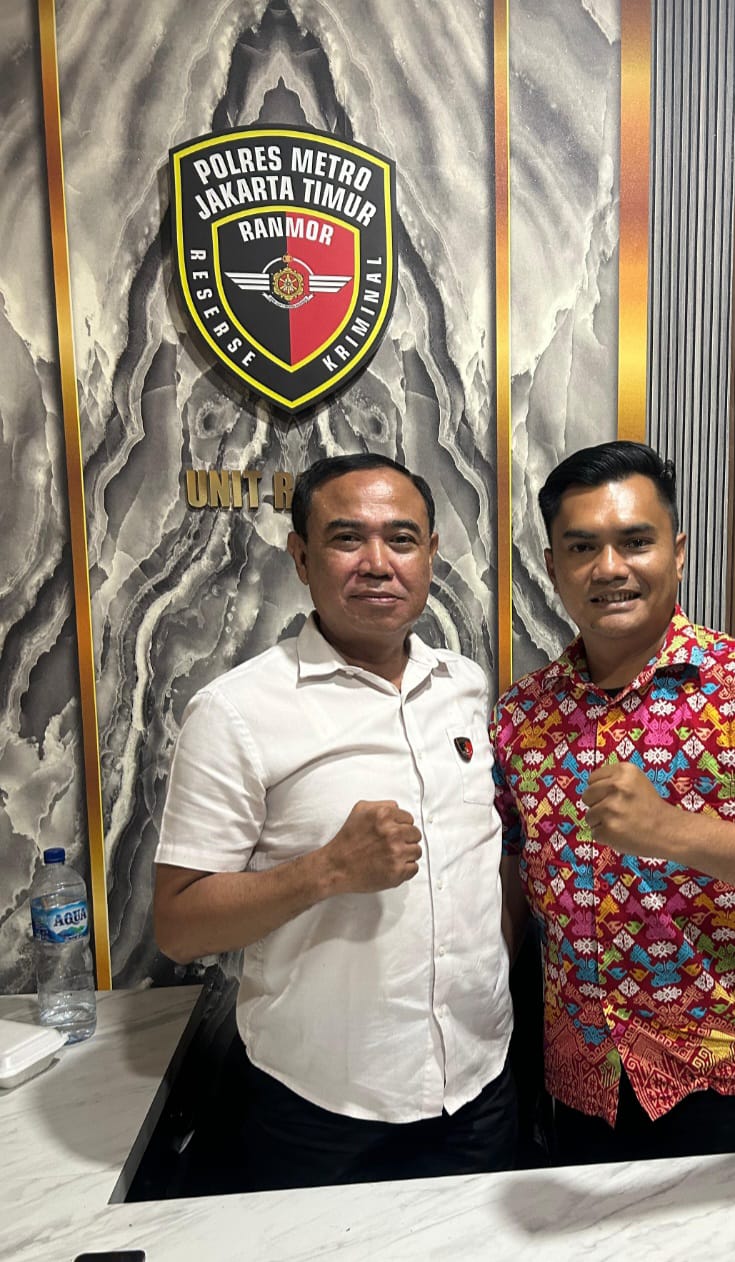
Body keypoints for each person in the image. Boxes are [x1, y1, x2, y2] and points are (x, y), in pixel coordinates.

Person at [492, 441, 735, 1164]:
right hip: (581, 1076)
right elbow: (512, 881)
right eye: (582, 547)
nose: (610, 568)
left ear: (678, 552)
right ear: (552, 567)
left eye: (635, 541)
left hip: (723, 1077)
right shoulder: (522, 715)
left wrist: (672, 831)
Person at [154, 453, 514, 1190]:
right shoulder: (236, 712)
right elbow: (180, 926)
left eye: (402, 539)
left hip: (481, 1084)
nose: (377, 563)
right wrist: (325, 871)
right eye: (348, 538)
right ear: (301, 557)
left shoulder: (467, 687)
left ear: (431, 554)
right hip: (319, 1108)